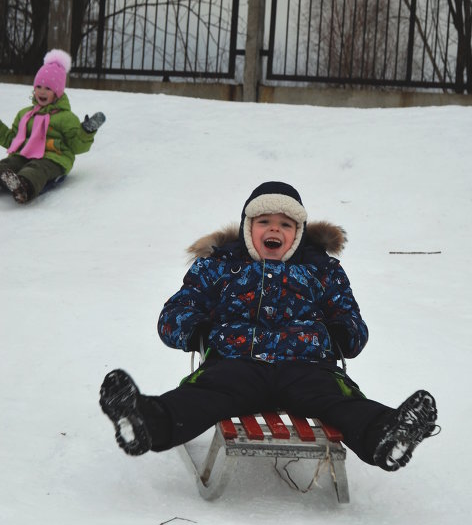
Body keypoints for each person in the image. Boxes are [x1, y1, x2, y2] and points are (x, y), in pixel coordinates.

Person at [99, 181, 439, 472]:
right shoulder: (220, 267)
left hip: (307, 367)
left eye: (286, 224)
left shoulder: (322, 270)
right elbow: (175, 312)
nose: (275, 229)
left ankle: (389, 434)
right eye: (264, 221)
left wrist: (343, 334)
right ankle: (144, 421)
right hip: (236, 363)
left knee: (339, 403)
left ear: (299, 234)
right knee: (202, 397)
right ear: (249, 229)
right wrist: (197, 330)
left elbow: (351, 318)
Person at [0, 49, 105, 204]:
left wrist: (85, 132)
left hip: (53, 158)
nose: (42, 91)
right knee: (9, 164)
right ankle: (5, 178)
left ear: (57, 93)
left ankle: (23, 187)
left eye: (48, 88)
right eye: (39, 87)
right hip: (24, 154)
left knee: (37, 169)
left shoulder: (66, 117)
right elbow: (13, 140)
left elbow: (76, 146)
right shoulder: (25, 115)